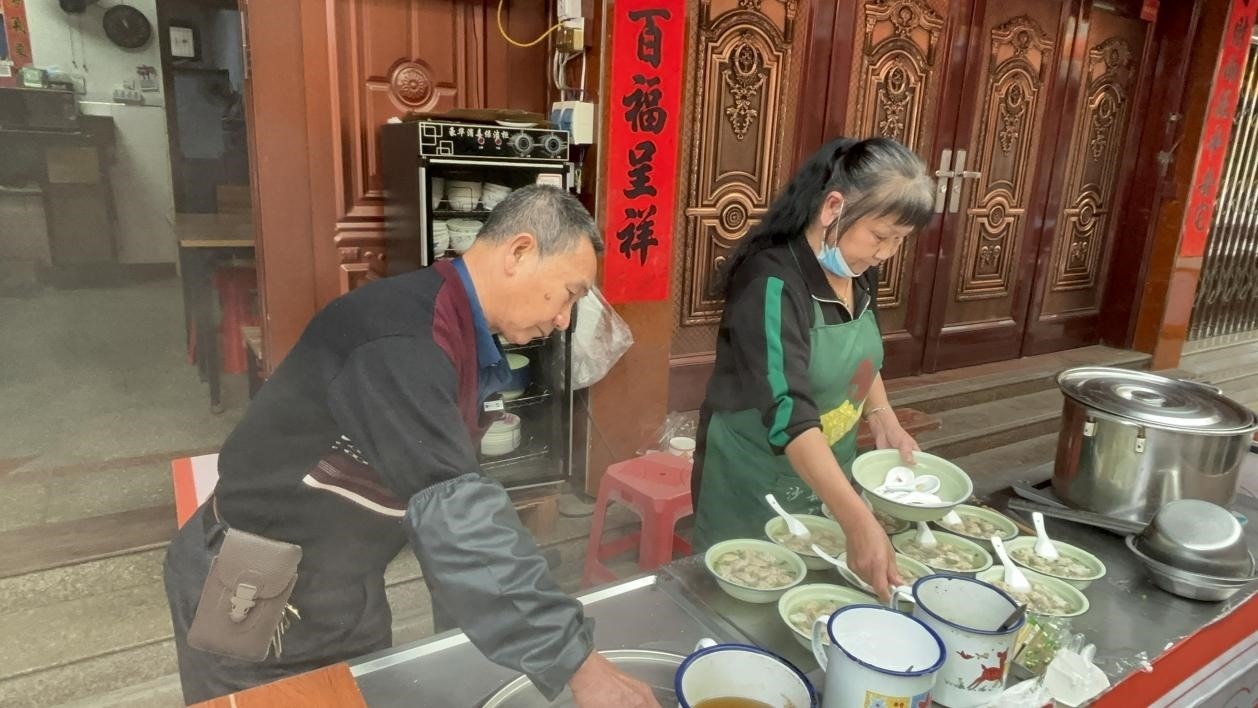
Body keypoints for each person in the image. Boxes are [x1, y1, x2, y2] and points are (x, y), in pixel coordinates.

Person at [163, 185, 660, 707]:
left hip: (345, 583)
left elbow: (444, 510)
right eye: (570, 293)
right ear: (519, 252)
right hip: (256, 589)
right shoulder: (401, 342)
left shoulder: (458, 328)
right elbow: (455, 516)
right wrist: (579, 665)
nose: (564, 319)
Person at [691, 137, 935, 601]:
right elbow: (789, 411)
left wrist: (883, 417)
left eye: (899, 240)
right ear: (833, 207)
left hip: (829, 469)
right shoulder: (772, 282)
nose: (886, 253)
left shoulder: (857, 269)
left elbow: (861, 356)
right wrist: (857, 519)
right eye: (880, 236)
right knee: (748, 595)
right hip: (754, 475)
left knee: (820, 593)